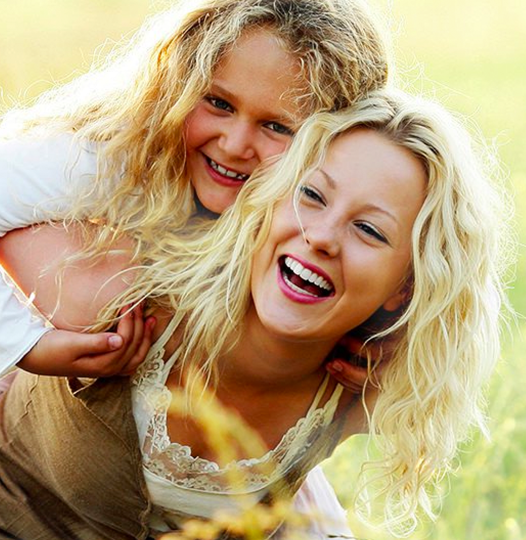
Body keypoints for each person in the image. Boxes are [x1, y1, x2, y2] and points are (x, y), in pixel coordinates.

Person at [0, 89, 514, 537]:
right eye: (311, 195)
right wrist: (26, 343)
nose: (321, 236)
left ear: (402, 290)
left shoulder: (362, 391)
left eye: (369, 230)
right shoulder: (121, 293)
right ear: (268, 199)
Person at [0, 0, 390, 387]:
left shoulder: (316, 214)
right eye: (219, 104)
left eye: (277, 127)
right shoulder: (113, 158)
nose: (235, 145)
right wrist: (26, 344)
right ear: (176, 87)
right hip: (60, 384)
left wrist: (377, 339)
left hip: (219, 407)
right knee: (106, 292)